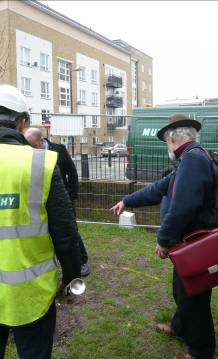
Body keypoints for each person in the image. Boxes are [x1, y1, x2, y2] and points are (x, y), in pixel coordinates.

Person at [111, 114, 216, 359]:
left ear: (171, 139)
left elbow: (183, 207)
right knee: (183, 291)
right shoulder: (189, 159)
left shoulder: (193, 160)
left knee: (194, 297)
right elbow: (159, 189)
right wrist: (127, 201)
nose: (165, 146)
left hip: (195, 242)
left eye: (165, 142)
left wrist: (163, 239)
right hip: (188, 242)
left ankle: (200, 351)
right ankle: (180, 328)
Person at [0, 85, 81, 359]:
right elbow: (66, 232)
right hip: (31, 294)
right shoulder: (40, 163)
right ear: (21, 122)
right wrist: (71, 278)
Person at [24, 127, 90, 277]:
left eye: (33, 146)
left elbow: (72, 173)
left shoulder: (59, 150)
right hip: (40, 199)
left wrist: (71, 197)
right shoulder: (28, 153)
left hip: (62, 199)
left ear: (42, 141)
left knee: (71, 229)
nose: (30, 149)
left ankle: (82, 261)